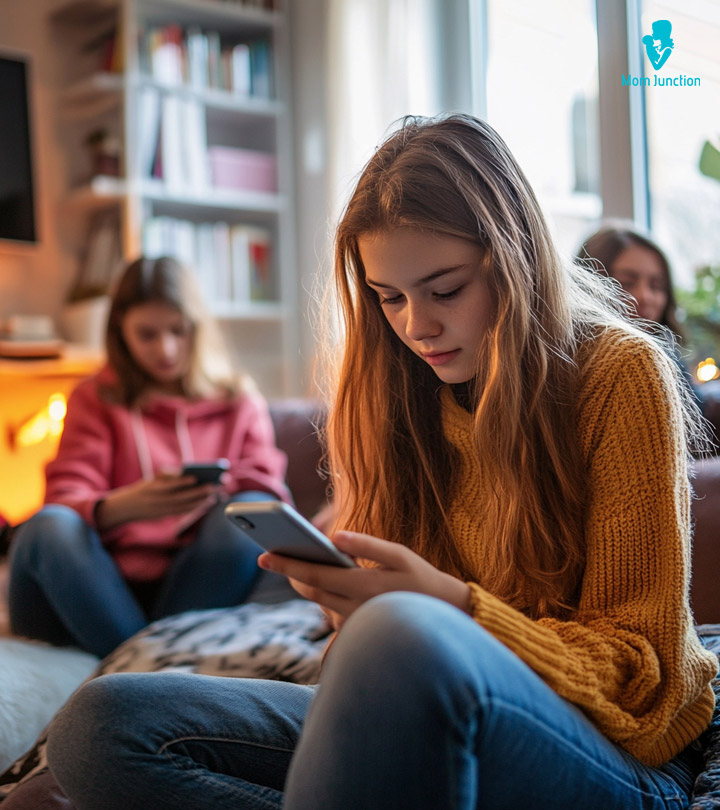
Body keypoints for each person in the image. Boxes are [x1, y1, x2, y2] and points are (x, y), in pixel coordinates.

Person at [46, 115, 718, 810]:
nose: (415, 327)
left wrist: (452, 608)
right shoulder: (397, 389)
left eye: (445, 290)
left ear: (514, 258)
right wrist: (349, 607)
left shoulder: (618, 376)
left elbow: (645, 677)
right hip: (428, 714)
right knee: (102, 727)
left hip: (617, 751)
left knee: (405, 635)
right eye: (388, 297)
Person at [8, 256, 290, 659]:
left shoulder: (237, 399)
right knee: (46, 526)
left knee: (247, 516)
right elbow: (64, 496)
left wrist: (212, 497)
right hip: (97, 584)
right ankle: (148, 664)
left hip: (198, 578)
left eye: (178, 331)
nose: (167, 349)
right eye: (147, 334)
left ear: (197, 327)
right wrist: (120, 508)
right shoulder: (94, 398)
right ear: (120, 330)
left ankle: (138, 662)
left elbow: (268, 493)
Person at [577, 223, 706, 411]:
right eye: (626, 283)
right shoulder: (580, 370)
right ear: (589, 284)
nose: (645, 297)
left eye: (656, 286)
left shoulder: (670, 356)